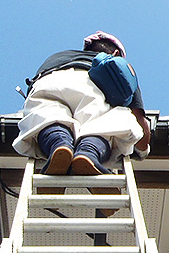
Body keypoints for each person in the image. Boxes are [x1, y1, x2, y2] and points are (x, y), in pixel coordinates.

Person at [13, 32, 151, 175]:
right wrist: (142, 150)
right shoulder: (119, 68)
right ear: (115, 53)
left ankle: (59, 145)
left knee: (48, 118)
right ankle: (88, 153)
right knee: (108, 124)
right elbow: (139, 122)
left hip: (47, 82)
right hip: (91, 87)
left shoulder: (59, 56)